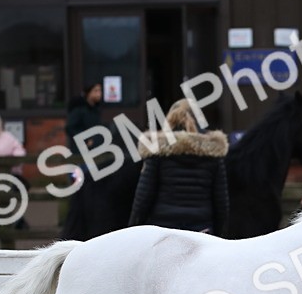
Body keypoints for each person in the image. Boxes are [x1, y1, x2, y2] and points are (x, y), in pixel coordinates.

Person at [128, 99, 229, 236]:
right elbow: (221, 203)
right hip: (201, 229)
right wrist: (220, 235)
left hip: (163, 229)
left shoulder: (157, 151)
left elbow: (143, 197)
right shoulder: (213, 154)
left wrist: (133, 228)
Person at [59, 82, 142, 241]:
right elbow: (71, 128)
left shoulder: (95, 109)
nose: (99, 94)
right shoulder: (79, 110)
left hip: (96, 152)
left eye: (100, 90)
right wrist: (85, 140)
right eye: (96, 90)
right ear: (88, 93)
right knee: (82, 182)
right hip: (82, 153)